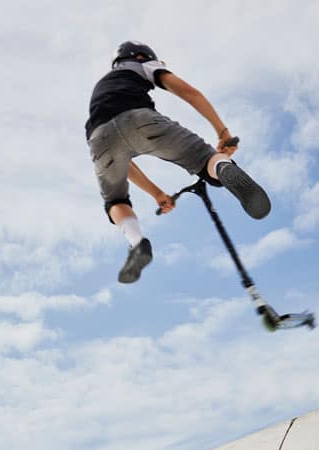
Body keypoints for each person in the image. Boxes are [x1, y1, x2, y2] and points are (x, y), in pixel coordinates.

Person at [86, 41, 271, 283]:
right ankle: (223, 169)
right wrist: (222, 132)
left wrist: (157, 193)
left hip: (98, 139)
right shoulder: (142, 65)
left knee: (115, 200)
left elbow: (125, 164)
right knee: (206, 160)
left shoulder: (102, 86)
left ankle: (137, 242)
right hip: (141, 120)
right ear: (141, 55)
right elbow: (189, 92)